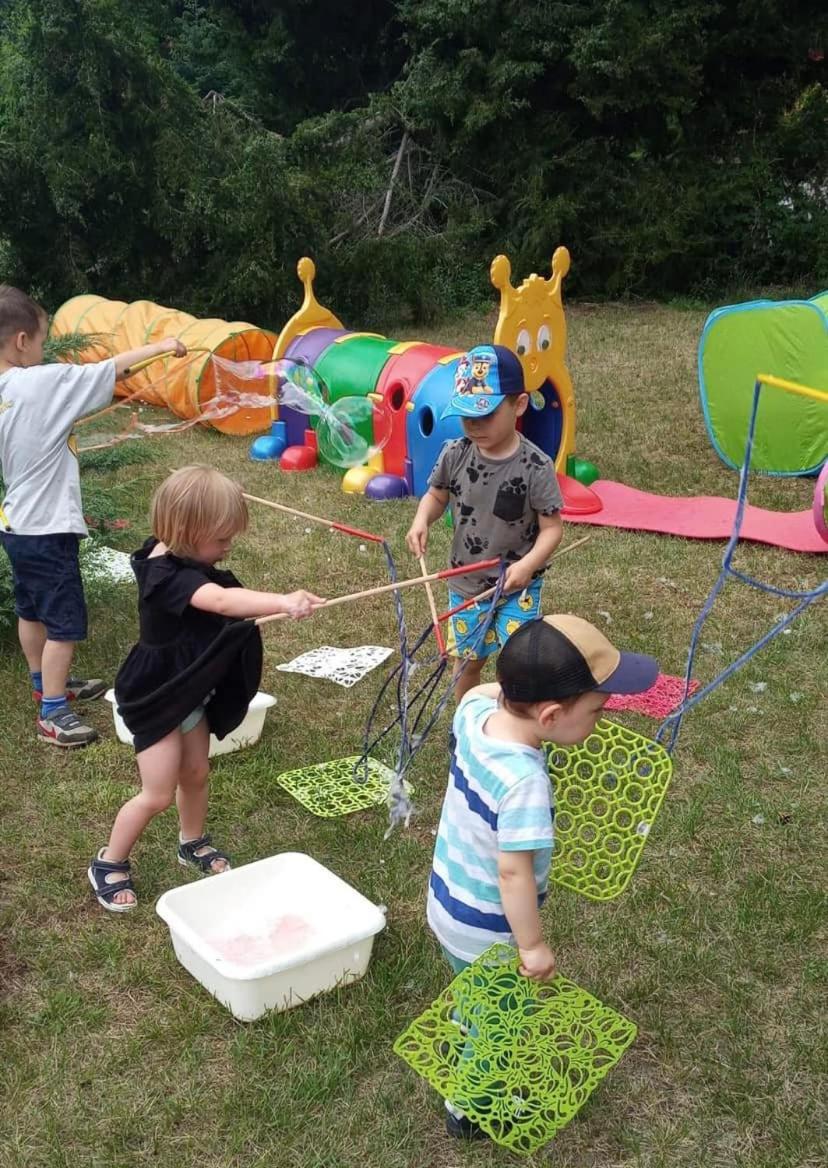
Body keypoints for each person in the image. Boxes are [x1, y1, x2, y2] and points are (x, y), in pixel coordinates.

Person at [427, 614, 659, 1140]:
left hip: (447, 901)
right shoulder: (525, 782)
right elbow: (514, 872)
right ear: (550, 715)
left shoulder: (472, 712)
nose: (600, 720)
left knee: (475, 992)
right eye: (596, 711)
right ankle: (471, 1105)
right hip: (489, 925)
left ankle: (470, 1021)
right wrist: (531, 946)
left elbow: (486, 690)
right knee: (502, 1019)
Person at [88, 466, 325, 912]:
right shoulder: (166, 575)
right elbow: (219, 601)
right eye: (220, 540)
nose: (227, 548)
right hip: (158, 694)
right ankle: (109, 861)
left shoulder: (181, 546)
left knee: (196, 772)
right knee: (157, 792)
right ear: (186, 531)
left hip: (189, 685)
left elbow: (192, 499)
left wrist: (219, 493)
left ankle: (191, 841)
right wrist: (281, 602)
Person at [0, 283, 189, 747]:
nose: (43, 350)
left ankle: (45, 684)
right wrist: (164, 345)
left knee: (31, 610)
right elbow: (105, 371)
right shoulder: (36, 382)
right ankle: (53, 713)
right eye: (42, 341)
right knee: (64, 625)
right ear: (21, 341)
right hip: (48, 529)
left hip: (15, 524)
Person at [406, 344, 564, 701]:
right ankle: (467, 723)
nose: (474, 426)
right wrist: (422, 520)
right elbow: (436, 496)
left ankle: (513, 727)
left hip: (518, 588)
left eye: (485, 415)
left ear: (519, 405)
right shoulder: (455, 453)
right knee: (466, 663)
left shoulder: (536, 467)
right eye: (466, 416)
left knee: (517, 663)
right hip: (465, 584)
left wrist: (527, 566)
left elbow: (552, 528)